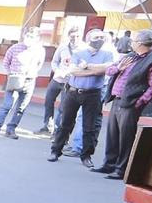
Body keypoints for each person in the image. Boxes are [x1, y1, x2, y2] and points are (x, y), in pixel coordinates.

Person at [93, 28, 152, 180]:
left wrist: (140, 102)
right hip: (118, 99)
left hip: (132, 102)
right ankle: (109, 164)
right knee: (112, 134)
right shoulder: (130, 56)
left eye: (133, 41)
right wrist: (118, 69)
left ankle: (121, 169)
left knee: (126, 137)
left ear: (140, 43)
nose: (131, 43)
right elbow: (110, 70)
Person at [48, 29, 113, 168]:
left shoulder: (107, 54)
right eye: (97, 37)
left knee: (89, 126)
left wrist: (87, 67)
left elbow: (105, 70)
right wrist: (94, 70)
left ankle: (86, 155)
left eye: (102, 37)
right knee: (65, 123)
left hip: (93, 94)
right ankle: (56, 150)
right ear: (89, 38)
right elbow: (73, 71)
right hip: (73, 92)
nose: (100, 40)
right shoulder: (79, 53)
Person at [0, 27, 44, 140]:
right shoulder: (14, 48)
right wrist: (11, 74)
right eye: (28, 36)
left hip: (29, 80)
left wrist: (31, 73)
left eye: (32, 37)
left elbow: (39, 65)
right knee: (7, 106)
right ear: (24, 35)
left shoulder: (40, 50)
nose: (29, 38)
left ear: (37, 38)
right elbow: (6, 62)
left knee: (21, 108)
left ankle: (11, 129)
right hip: (14, 79)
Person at [39, 26, 80, 136]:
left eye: (77, 36)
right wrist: (57, 71)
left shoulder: (83, 49)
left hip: (70, 81)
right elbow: (54, 62)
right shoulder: (63, 47)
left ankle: (57, 131)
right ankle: (47, 126)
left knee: (64, 107)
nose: (75, 38)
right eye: (72, 36)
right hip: (57, 79)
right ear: (68, 36)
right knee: (48, 101)